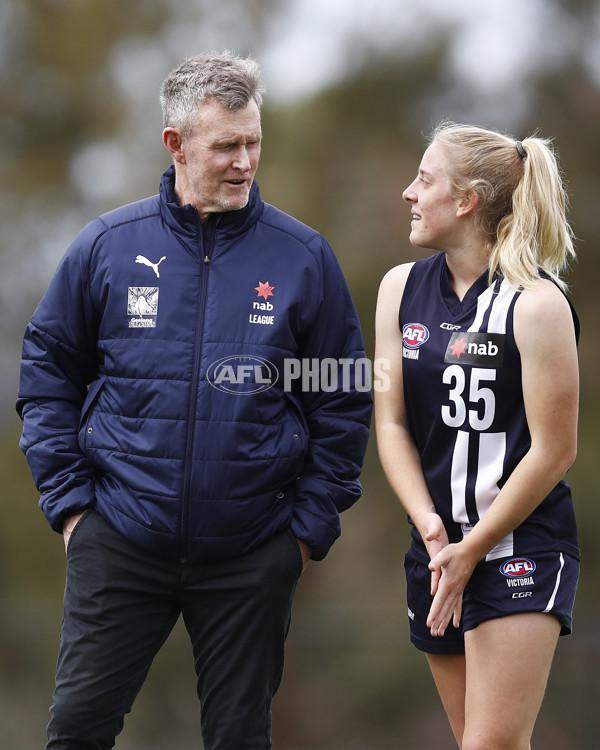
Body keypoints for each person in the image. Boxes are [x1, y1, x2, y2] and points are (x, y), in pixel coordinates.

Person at [16, 50, 372, 750]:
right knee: (77, 729)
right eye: (226, 146)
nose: (245, 162)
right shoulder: (107, 247)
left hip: (251, 551)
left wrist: (302, 534)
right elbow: (48, 373)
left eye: (254, 142)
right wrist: (71, 508)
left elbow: (344, 396)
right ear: (176, 144)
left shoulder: (303, 256)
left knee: (239, 739)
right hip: (119, 538)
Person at [375, 122, 579, 750]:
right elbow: (390, 422)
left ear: (466, 201)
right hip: (437, 556)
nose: (410, 193)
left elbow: (555, 449)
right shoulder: (398, 288)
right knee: (476, 741)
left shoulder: (538, 305)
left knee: (490, 744)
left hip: (516, 547)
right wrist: (430, 527)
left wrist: (475, 546)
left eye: (425, 179)